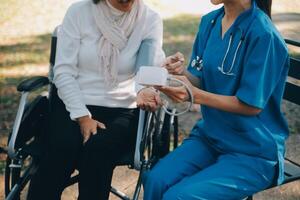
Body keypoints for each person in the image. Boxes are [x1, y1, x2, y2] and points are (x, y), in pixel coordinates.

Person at [142, 0, 290, 199]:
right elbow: (199, 79)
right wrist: (178, 76)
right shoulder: (210, 22)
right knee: (155, 180)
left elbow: (250, 106)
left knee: (179, 197)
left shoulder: (264, 35)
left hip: (252, 152)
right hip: (210, 137)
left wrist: (194, 95)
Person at [26, 0, 163, 199]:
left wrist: (158, 74)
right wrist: (82, 116)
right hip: (73, 99)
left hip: (122, 106)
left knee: (99, 149)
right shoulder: (79, 12)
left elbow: (148, 68)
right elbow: (63, 72)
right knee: (62, 147)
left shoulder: (149, 19)